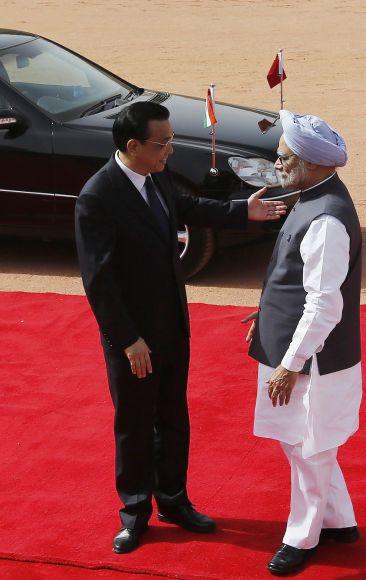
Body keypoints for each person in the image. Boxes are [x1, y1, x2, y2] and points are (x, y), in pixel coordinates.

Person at [75, 101, 286, 554]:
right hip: (133, 339)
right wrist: (128, 340)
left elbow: (187, 206)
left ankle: (174, 500)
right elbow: (100, 281)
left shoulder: (157, 175)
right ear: (133, 146)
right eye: (163, 142)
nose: (170, 149)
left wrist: (239, 212)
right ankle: (135, 512)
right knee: (135, 423)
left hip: (172, 326)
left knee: (173, 417)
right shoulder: (99, 196)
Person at [243, 110, 362, 575]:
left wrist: (290, 364)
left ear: (312, 164)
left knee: (309, 448)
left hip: (313, 362)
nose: (276, 164)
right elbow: (294, 283)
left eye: (284, 157)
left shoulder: (326, 218)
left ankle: (302, 537)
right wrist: (266, 315)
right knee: (309, 445)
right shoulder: (313, 196)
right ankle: (340, 520)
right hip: (300, 351)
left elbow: (324, 305)